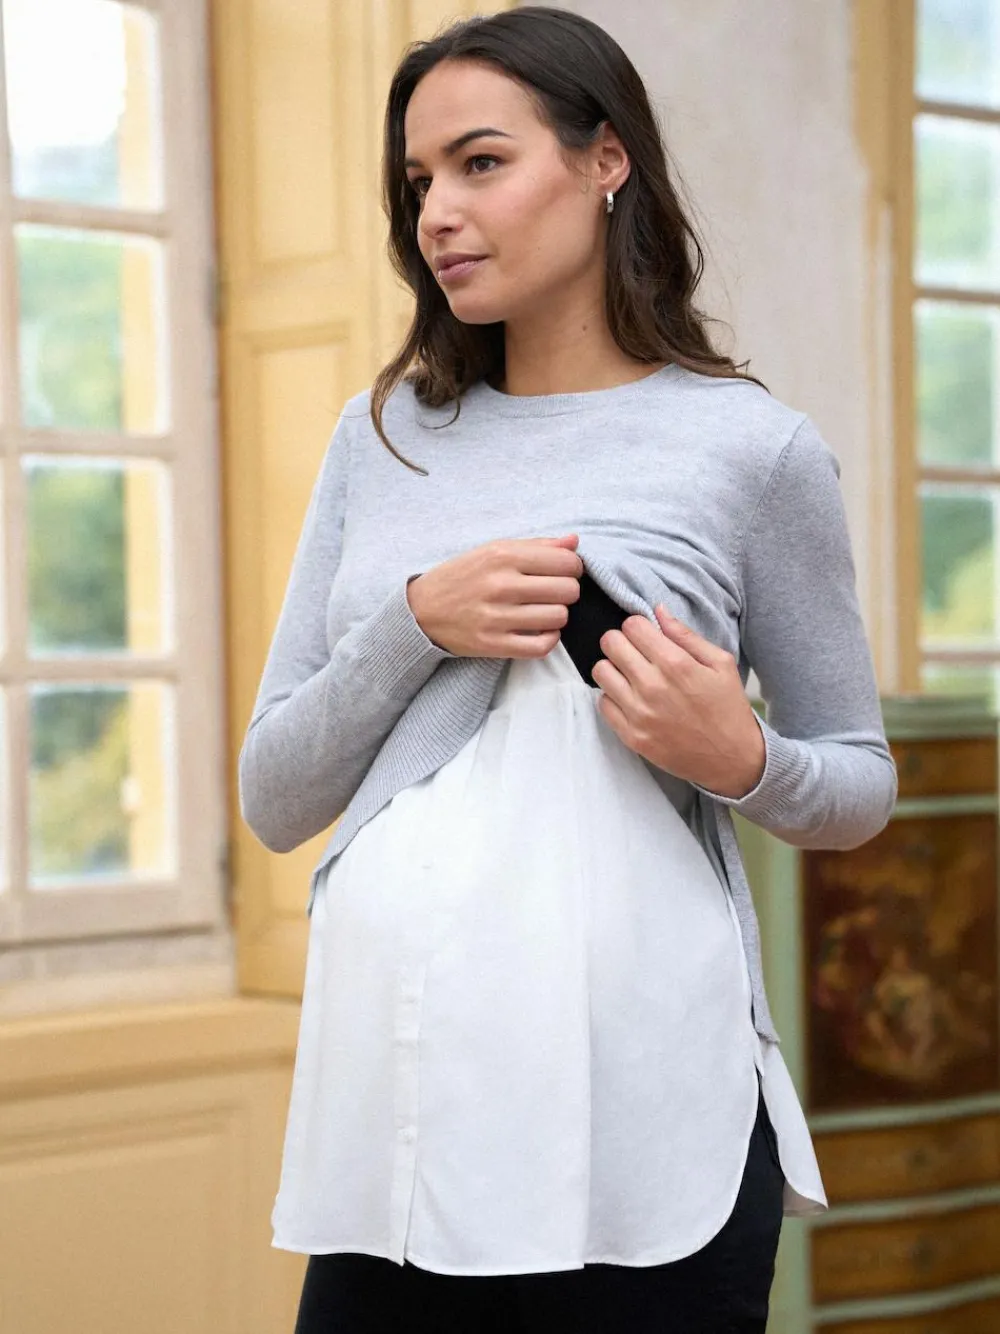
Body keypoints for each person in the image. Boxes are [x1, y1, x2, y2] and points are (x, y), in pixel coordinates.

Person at [238, 8, 898, 1331]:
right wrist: (416, 623)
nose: (438, 211)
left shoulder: (750, 450)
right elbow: (274, 794)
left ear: (606, 162)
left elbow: (861, 783)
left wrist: (742, 758)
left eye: (481, 162)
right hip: (396, 1126)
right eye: (420, 179)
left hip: (652, 1135)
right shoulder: (380, 438)